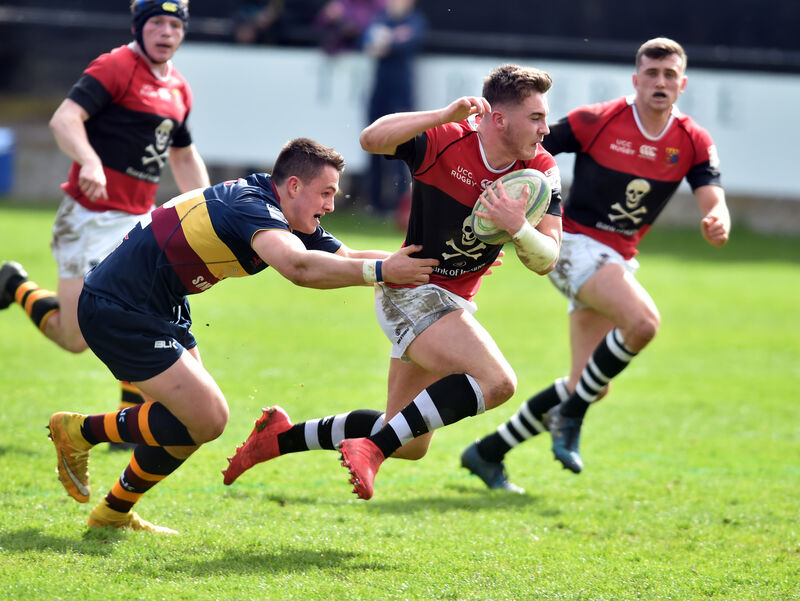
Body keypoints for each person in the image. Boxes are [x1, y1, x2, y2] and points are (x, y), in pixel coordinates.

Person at [45, 137, 438, 533]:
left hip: (159, 306)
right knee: (208, 418)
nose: (331, 205)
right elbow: (298, 267)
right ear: (294, 186)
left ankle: (112, 513)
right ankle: (78, 431)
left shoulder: (280, 210)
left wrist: (428, 268)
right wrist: (383, 272)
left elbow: (347, 258)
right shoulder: (251, 205)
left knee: (188, 428)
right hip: (119, 307)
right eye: (326, 193)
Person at [222, 64, 564, 501]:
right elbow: (372, 139)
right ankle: (373, 449)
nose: (545, 129)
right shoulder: (447, 139)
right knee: (497, 382)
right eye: (536, 118)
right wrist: (442, 115)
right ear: (499, 119)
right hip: (412, 288)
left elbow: (547, 258)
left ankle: (280, 437)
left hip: (451, 301)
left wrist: (519, 227)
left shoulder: (541, 168)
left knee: (411, 441)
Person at [461, 37, 731, 491]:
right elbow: (531, 145)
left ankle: (488, 452)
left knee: (589, 383)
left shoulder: (692, 140)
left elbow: (712, 192)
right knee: (643, 323)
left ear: (682, 84)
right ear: (636, 80)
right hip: (572, 244)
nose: (660, 82)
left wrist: (717, 217)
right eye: (651, 73)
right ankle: (572, 416)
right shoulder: (598, 119)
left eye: (669, 75)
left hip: (617, 257)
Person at [0, 0, 210, 442]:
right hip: (89, 218)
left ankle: (131, 418)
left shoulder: (179, 89)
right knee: (73, 337)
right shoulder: (116, 66)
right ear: (138, 27)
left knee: (142, 309)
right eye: (157, 22)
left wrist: (206, 208)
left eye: (174, 25)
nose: (166, 32)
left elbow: (183, 154)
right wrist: (90, 161)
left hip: (136, 222)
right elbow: (65, 119)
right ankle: (14, 284)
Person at [361, 0, 426, 220]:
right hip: (379, 94)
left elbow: (405, 44)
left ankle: (399, 204)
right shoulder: (380, 19)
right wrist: (392, 39)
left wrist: (385, 41)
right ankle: (375, 203)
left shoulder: (415, 20)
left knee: (401, 149)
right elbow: (367, 44)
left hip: (401, 95)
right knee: (373, 145)